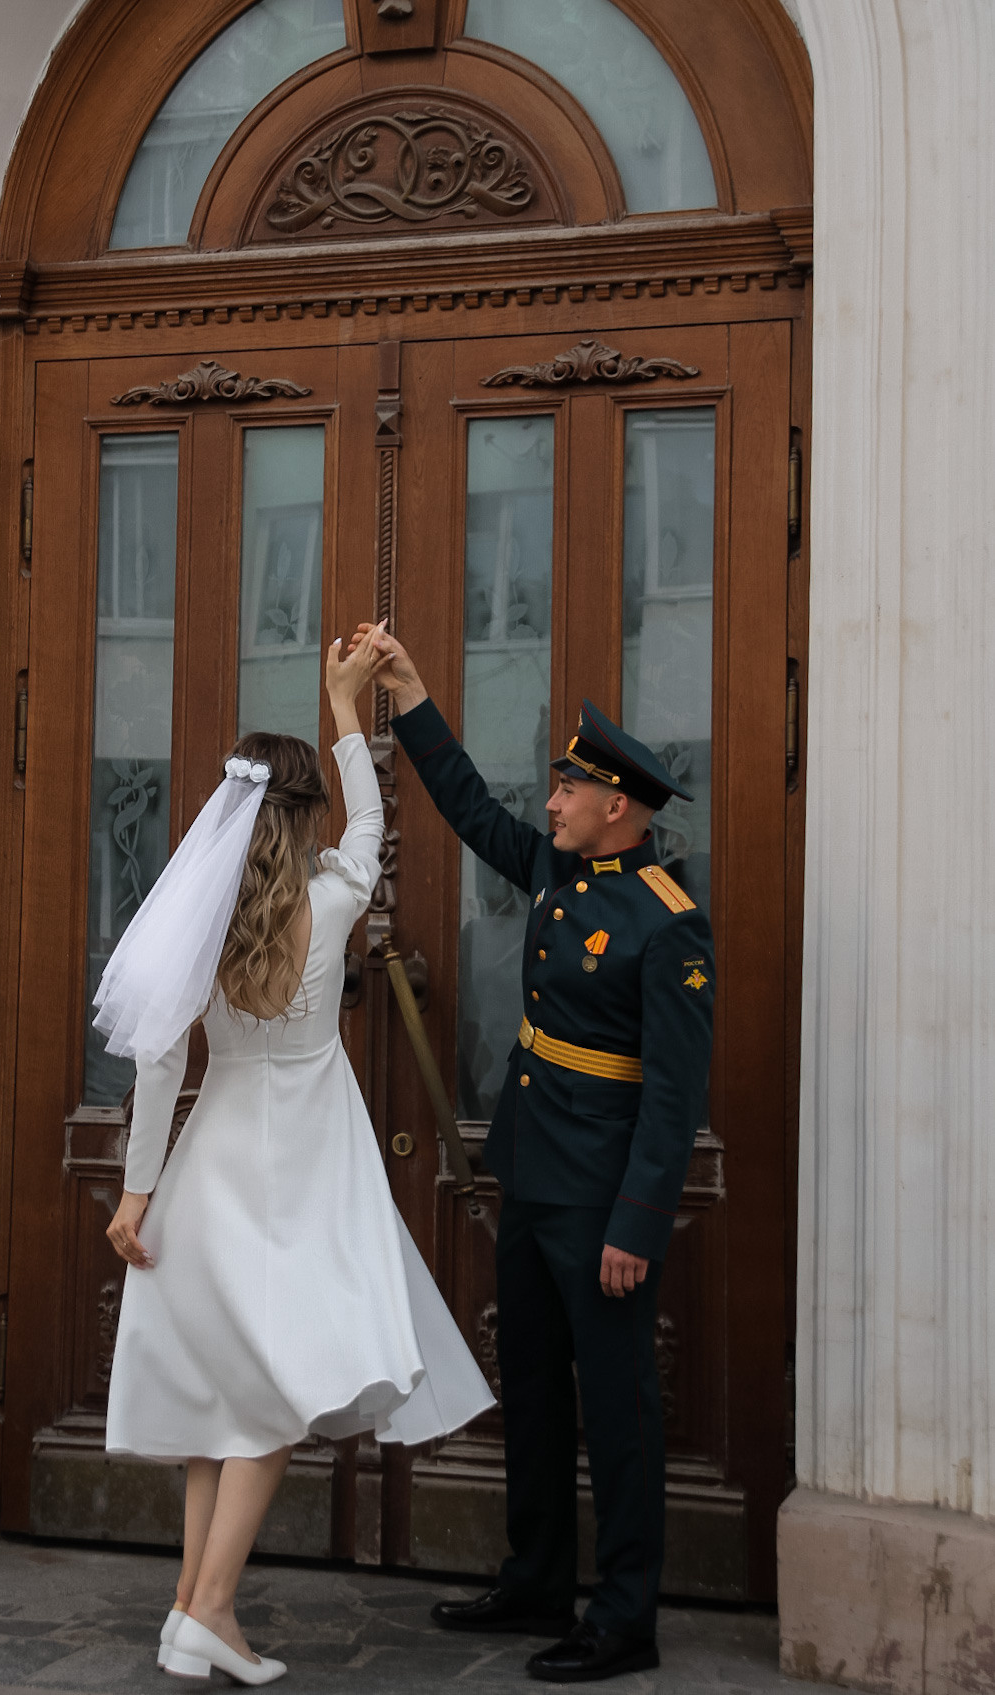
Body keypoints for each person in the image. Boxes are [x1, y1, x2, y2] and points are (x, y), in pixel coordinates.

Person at [98, 627, 494, 1687]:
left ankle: (190, 1607)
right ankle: (210, 1607)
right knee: (273, 1397)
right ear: (303, 815)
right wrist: (347, 710)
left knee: (223, 1402)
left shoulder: (201, 922)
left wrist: (137, 1191)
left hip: (211, 1163)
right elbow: (371, 827)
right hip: (307, 1166)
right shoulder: (332, 900)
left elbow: (157, 1063)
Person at [358, 625, 714, 1684]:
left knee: (618, 1410)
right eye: (557, 788)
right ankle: (537, 1579)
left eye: (570, 790)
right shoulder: (559, 873)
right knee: (535, 1388)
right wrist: (411, 694)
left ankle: (625, 1616)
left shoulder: (668, 924)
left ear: (620, 807)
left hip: (603, 1202)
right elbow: (470, 806)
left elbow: (673, 1095)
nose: (551, 803)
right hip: (532, 1174)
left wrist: (639, 1222)